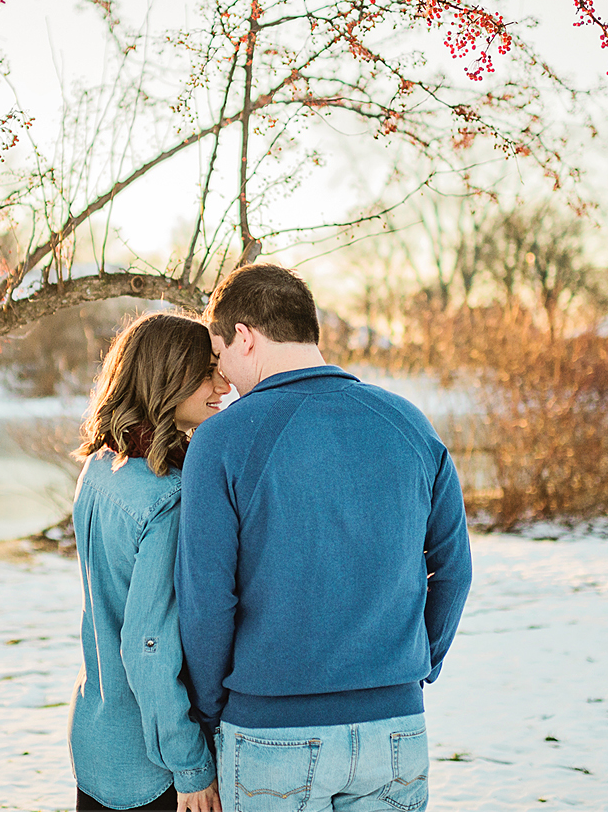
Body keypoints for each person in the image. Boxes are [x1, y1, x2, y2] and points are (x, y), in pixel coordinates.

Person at [178, 263, 472, 813]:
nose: (224, 380)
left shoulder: (220, 441)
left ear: (244, 337)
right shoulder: (410, 424)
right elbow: (453, 568)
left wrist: (215, 710)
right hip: (395, 726)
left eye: (219, 358)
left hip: (271, 730)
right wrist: (412, 666)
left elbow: (207, 601)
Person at [69, 312, 233, 813]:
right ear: (168, 377)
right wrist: (191, 768)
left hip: (97, 737)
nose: (223, 383)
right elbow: (148, 647)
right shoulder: (166, 497)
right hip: (152, 764)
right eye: (207, 371)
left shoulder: (100, 467)